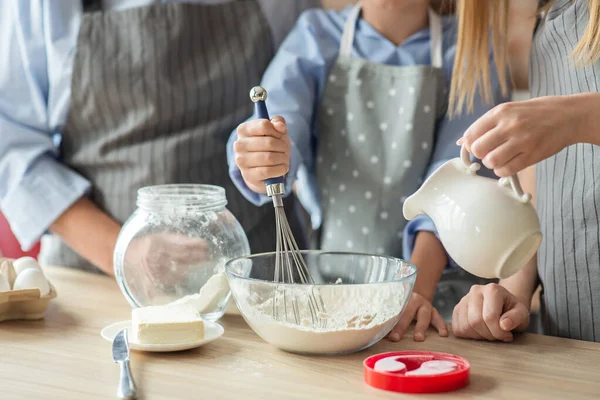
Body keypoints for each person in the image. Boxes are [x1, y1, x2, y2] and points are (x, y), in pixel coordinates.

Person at [227, 0, 509, 340]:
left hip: (434, 307)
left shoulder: (471, 50)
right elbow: (282, 128)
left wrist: (413, 293)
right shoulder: (315, 36)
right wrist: (261, 157)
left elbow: (456, 189)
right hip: (334, 296)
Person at [0, 0, 319, 275]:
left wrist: (270, 155)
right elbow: (14, 150)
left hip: (256, 276)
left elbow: (300, 99)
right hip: (95, 280)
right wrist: (124, 254)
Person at [451, 0, 600, 343]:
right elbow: (551, 177)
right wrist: (512, 294)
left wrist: (576, 118)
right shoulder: (546, 22)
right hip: (569, 335)